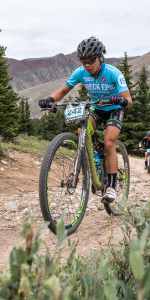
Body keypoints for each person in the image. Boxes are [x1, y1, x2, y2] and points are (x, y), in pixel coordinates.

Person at [38, 37, 132, 203]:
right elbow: (62, 91)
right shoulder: (80, 73)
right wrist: (50, 100)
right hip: (96, 107)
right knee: (82, 131)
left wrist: (120, 100)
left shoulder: (113, 73)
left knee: (109, 143)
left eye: (91, 60)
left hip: (114, 109)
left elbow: (128, 100)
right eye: (83, 61)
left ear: (100, 57)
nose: (87, 65)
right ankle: (95, 165)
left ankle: (110, 185)